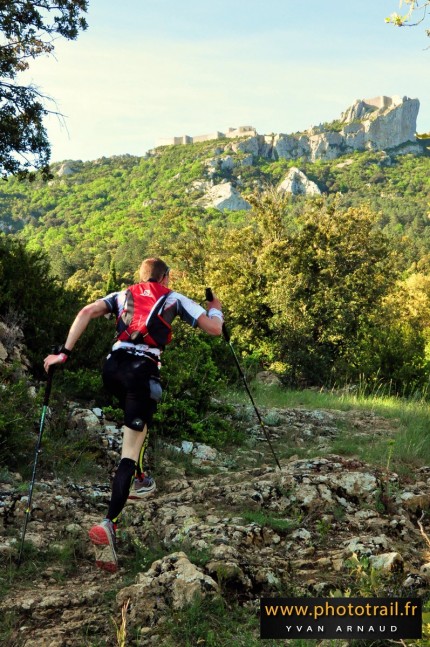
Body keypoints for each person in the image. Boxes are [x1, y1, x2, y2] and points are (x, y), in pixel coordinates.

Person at [44, 257, 223, 572]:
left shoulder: (122, 294)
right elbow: (214, 329)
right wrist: (215, 307)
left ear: (141, 276)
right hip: (142, 373)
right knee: (130, 448)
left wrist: (64, 353)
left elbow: (85, 311)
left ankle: (141, 478)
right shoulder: (174, 298)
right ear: (165, 277)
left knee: (137, 425)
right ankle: (109, 522)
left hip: (112, 369)